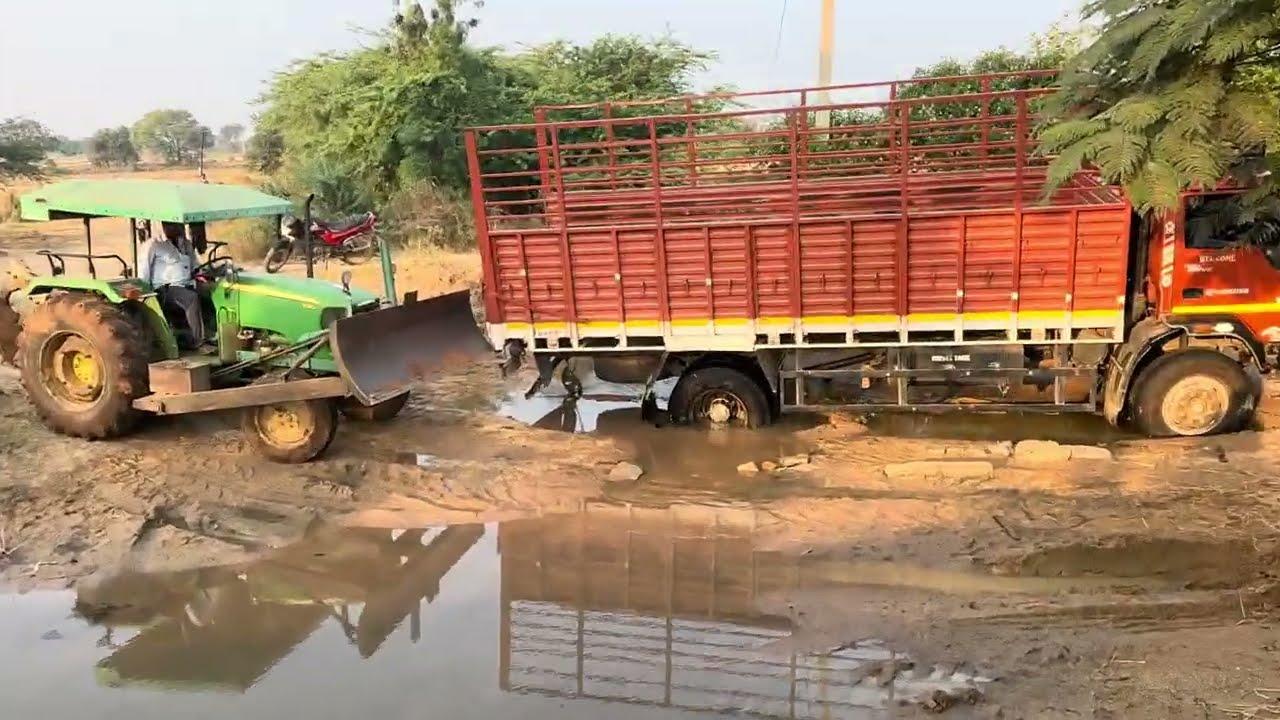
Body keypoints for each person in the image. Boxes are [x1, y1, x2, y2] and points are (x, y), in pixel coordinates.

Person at [140, 222, 204, 348]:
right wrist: (145, 294)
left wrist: (203, 275)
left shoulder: (185, 244)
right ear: (164, 226)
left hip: (187, 284)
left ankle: (214, 333)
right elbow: (144, 271)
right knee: (191, 299)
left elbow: (195, 265)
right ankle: (197, 340)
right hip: (165, 288)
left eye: (178, 225)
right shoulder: (154, 244)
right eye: (171, 225)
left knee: (210, 292)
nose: (177, 228)